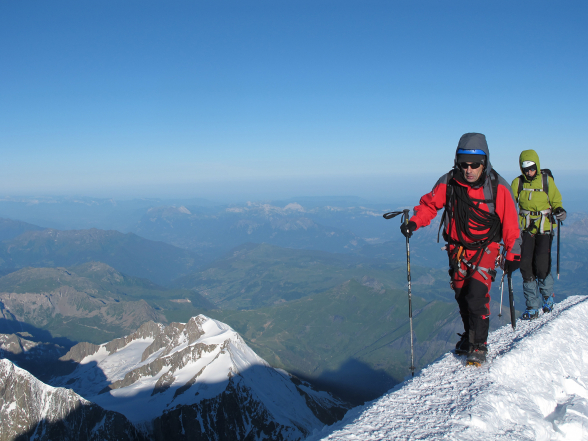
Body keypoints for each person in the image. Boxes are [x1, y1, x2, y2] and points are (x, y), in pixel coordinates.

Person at [400, 133, 522, 366]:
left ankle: (478, 346)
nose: (469, 170)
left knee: (476, 293)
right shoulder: (449, 182)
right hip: (457, 251)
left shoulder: (498, 187)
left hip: (486, 247)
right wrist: (414, 223)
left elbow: (511, 224)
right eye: (463, 164)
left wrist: (513, 253)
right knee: (461, 294)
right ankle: (469, 335)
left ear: (484, 163)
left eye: (474, 165)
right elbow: (430, 205)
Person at [511, 150, 565, 320]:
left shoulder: (546, 181)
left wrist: (558, 209)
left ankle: (548, 298)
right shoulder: (517, 183)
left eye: (532, 168)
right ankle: (532, 306)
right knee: (526, 266)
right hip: (525, 229)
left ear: (537, 165)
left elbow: (556, 200)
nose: (529, 172)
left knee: (541, 265)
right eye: (525, 169)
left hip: (544, 228)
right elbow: (511, 203)